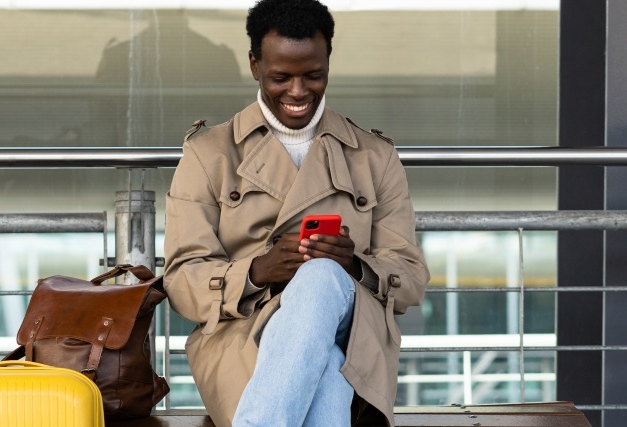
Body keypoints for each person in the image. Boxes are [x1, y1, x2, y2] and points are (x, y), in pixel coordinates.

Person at [162, 0, 429, 426]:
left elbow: (412, 279)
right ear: (254, 65)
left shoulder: (374, 156)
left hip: (354, 329)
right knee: (322, 368)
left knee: (322, 277)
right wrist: (259, 270)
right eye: (281, 77)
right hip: (243, 337)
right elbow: (180, 280)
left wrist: (353, 265)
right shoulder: (209, 153)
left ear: (328, 63)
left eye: (313, 75)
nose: (298, 91)